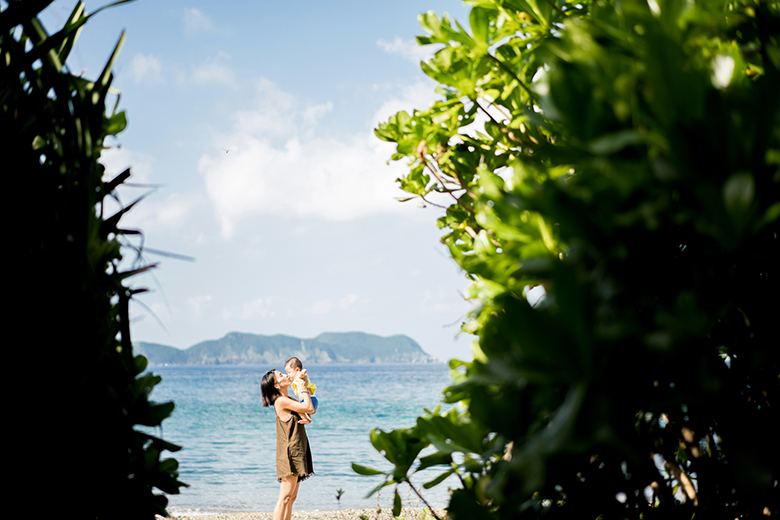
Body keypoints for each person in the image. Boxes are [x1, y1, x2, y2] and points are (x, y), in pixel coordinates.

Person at [261, 369, 315, 520]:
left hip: (297, 449)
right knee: (284, 497)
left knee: (291, 497)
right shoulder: (281, 401)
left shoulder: (288, 398)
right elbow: (309, 408)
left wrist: (301, 386)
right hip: (289, 452)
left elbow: (310, 411)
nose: (285, 375)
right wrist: (303, 386)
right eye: (281, 375)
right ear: (277, 385)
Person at [284, 356, 319, 424]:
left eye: (289, 372)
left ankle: (305, 419)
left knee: (296, 407)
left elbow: (301, 375)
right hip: (311, 401)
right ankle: (308, 416)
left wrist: (302, 373)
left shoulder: (299, 377)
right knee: (299, 406)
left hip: (309, 400)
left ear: (297, 370)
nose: (288, 374)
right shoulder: (296, 380)